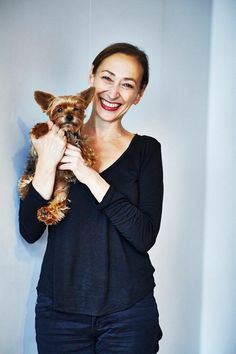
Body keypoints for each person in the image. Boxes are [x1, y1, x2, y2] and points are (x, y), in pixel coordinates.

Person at [19, 42, 164, 354]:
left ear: (139, 95)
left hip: (129, 313)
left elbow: (144, 235)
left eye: (128, 84)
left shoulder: (147, 151)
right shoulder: (51, 141)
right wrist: (47, 162)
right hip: (60, 314)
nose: (113, 93)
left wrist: (87, 174)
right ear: (91, 77)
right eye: (107, 78)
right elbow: (30, 231)